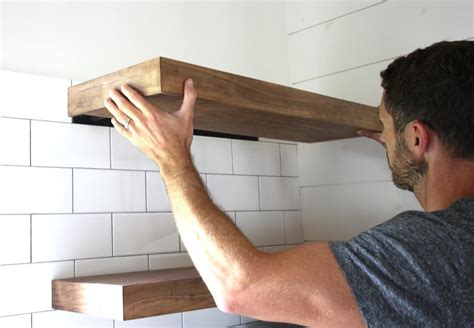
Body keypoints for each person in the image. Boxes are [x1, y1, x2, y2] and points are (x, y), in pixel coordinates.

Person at [103, 40, 473, 327]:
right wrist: (400, 146)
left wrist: (172, 156)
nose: (383, 137)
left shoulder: (435, 249)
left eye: (386, 128)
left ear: (417, 139)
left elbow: (238, 287)